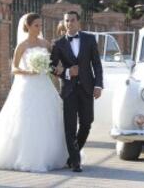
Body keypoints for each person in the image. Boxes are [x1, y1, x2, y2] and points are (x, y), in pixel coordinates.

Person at [0, 13, 68, 172]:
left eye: (40, 25)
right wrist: (28, 71)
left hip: (44, 85)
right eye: (36, 25)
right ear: (28, 26)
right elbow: (14, 68)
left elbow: (55, 60)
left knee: (48, 117)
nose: (39, 28)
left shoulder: (45, 43)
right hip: (27, 85)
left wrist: (56, 67)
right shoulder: (22, 46)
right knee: (27, 119)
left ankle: (51, 156)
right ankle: (27, 156)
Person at [50, 11, 103, 172]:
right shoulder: (58, 44)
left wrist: (98, 85)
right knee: (70, 127)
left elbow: (97, 64)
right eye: (67, 21)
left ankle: (73, 155)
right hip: (69, 90)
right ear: (64, 23)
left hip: (87, 88)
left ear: (78, 22)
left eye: (72, 20)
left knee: (87, 123)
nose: (69, 23)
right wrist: (66, 72)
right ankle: (75, 161)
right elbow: (51, 66)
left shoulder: (89, 39)